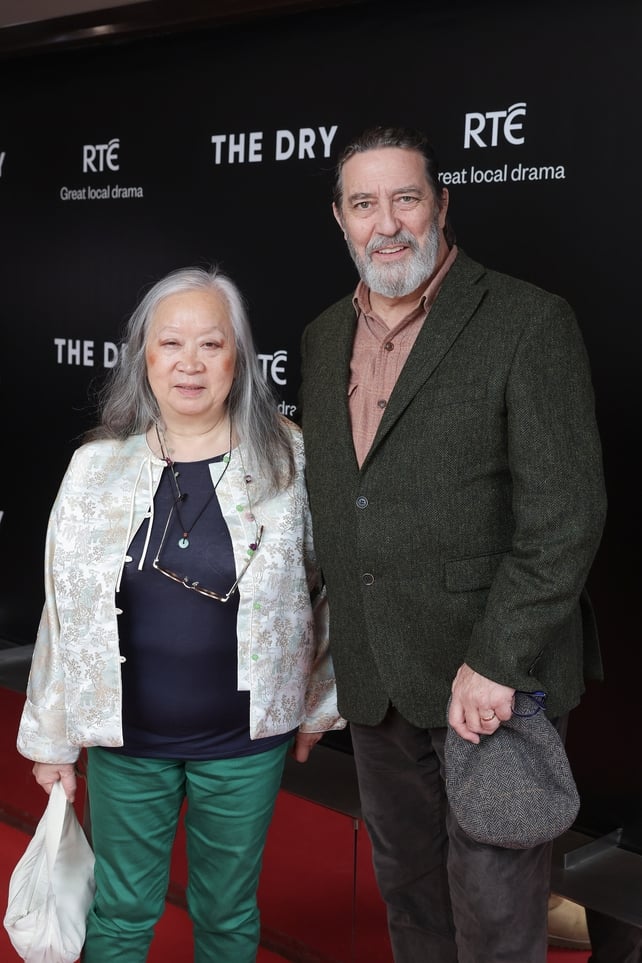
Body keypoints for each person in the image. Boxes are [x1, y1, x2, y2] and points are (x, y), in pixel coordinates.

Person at [299, 126, 607, 963]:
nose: (387, 223)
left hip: (492, 684)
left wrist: (498, 660)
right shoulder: (323, 337)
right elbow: (342, 507)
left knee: (497, 922)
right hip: (378, 682)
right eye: (364, 203)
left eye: (405, 198)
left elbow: (567, 513)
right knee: (413, 907)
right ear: (340, 218)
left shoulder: (527, 320)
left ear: (440, 203)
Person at [17, 265, 343, 963]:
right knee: (120, 915)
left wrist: (321, 702)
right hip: (126, 741)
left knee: (227, 915)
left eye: (211, 344)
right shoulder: (96, 468)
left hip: (243, 742)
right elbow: (62, 610)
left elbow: (330, 590)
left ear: (238, 359)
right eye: (170, 343)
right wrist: (52, 739)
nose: (189, 363)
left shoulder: (291, 459)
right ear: (144, 357)